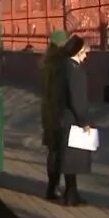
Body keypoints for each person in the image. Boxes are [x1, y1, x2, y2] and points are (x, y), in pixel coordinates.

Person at [52, 34, 94, 206]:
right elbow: (77, 98)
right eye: (85, 52)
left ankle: (71, 192)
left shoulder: (63, 67)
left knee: (69, 158)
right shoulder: (75, 70)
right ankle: (71, 195)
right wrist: (84, 121)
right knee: (73, 158)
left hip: (64, 118)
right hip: (73, 121)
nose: (86, 56)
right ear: (78, 51)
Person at [39, 29, 68, 200]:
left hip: (47, 111)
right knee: (60, 151)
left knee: (53, 150)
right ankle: (55, 188)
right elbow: (58, 92)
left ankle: (51, 186)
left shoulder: (45, 63)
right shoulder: (60, 64)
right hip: (58, 112)